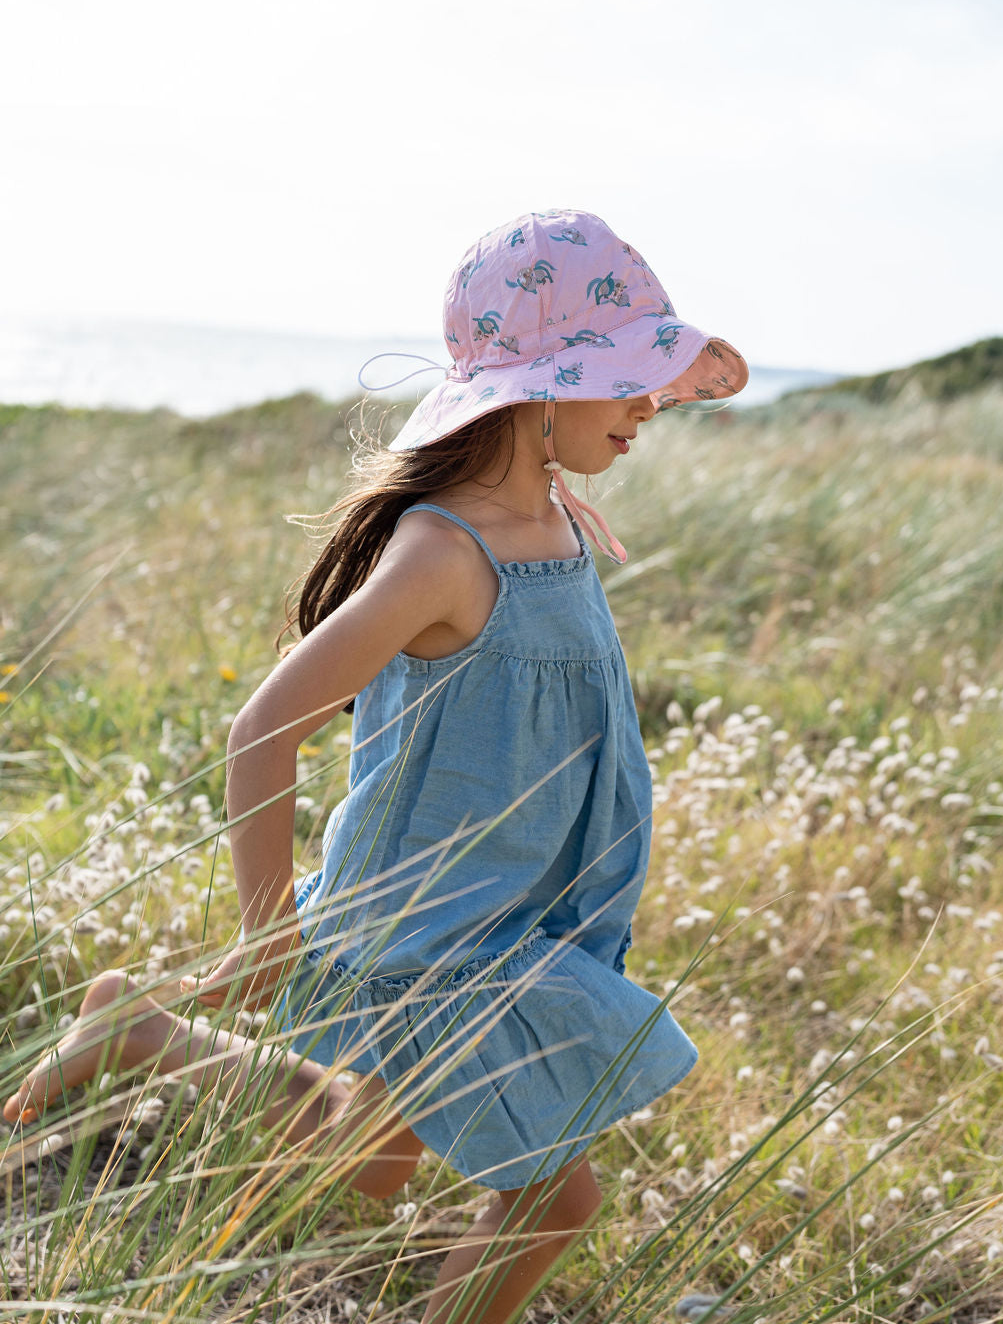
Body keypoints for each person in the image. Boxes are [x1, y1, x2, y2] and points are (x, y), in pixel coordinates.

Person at [4, 209, 748, 1324]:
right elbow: (263, 727)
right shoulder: (443, 551)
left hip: (519, 911)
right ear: (541, 389)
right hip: (437, 927)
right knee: (552, 1196)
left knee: (370, 1157)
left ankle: (137, 1024)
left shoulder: (558, 518)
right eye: (629, 377)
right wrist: (267, 934)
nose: (651, 403)